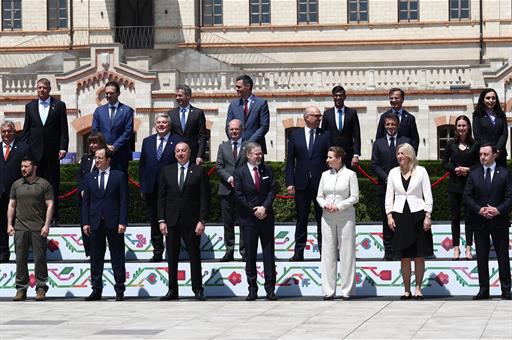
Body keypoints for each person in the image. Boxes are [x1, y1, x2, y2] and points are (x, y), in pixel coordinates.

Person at [158, 142, 210, 301]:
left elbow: (204, 198)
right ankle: (172, 290)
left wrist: (202, 220)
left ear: (189, 152)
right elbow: (161, 198)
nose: (180, 153)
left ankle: (198, 289)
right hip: (171, 220)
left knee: (194, 255)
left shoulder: (199, 171)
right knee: (172, 256)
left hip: (192, 221)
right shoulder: (167, 171)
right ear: (174, 154)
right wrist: (161, 220)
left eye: (183, 150)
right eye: (178, 151)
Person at [464, 143, 512, 300]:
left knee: (503, 257)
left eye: (485, 154)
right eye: (480, 154)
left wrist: (497, 210)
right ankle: (484, 289)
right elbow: (467, 196)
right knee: (482, 257)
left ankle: (506, 289)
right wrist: (480, 209)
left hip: (499, 221)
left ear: (494, 155)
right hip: (480, 221)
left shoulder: (505, 173)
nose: (482, 157)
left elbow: (510, 197)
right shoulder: (474, 173)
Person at [385, 143, 433, 300]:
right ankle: (407, 289)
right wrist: (389, 215)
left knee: (419, 255)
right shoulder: (392, 173)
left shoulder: (421, 172)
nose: (400, 156)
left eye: (403, 153)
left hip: (418, 215)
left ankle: (418, 288)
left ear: (410, 155)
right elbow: (389, 196)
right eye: (398, 153)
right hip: (400, 215)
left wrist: (428, 215)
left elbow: (428, 195)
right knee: (404, 255)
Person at [82, 148, 129, 301]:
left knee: (117, 256)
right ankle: (96, 289)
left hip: (114, 222)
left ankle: (119, 289)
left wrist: (123, 221)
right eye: (96, 158)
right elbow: (86, 202)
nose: (97, 160)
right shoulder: (90, 177)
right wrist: (85, 222)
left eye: (100, 158)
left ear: (108, 159)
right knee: (95, 258)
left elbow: (123, 201)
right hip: (95, 223)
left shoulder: (119, 176)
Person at [285, 106, 330, 261]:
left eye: (320, 116)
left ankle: (325, 253)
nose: (319, 118)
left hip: (321, 186)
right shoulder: (295, 136)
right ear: (306, 117)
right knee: (301, 219)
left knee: (322, 220)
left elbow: (331, 161)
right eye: (316, 116)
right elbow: (290, 162)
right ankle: (299, 252)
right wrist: (290, 183)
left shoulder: (326, 135)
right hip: (301, 184)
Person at [234, 142, 277, 301]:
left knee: (268, 254)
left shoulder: (267, 170)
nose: (259, 156)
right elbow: (239, 195)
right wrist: (254, 210)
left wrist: (264, 208)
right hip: (249, 220)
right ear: (248, 155)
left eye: (261, 153)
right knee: (250, 255)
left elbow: (273, 189)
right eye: (256, 154)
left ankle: (270, 289)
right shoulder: (239, 172)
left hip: (266, 218)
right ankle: (252, 288)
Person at [7, 156, 54, 301]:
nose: (23, 169)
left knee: (40, 259)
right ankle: (21, 289)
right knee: (20, 259)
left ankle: (41, 288)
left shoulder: (43, 184)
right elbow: (11, 205)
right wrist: (9, 224)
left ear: (34, 168)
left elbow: (50, 205)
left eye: (26, 166)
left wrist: (46, 225)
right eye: (22, 166)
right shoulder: (16, 184)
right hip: (20, 228)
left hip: (38, 228)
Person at [22, 78, 68, 222]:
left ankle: (54, 216)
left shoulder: (59, 105)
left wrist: (63, 147)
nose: (41, 90)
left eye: (44, 88)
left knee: (52, 184)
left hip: (53, 151)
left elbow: (63, 129)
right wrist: (24, 150)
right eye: (39, 88)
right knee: (34, 184)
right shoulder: (30, 107)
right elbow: (26, 130)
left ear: (49, 89)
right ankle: (36, 215)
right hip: (34, 153)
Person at [316, 146, 359, 300]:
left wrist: (339, 206)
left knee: (346, 252)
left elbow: (354, 197)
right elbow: (319, 196)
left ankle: (346, 290)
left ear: (339, 158)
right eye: (327, 157)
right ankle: (328, 290)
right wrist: (324, 204)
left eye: (330, 157)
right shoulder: (324, 175)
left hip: (345, 216)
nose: (327, 160)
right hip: (327, 217)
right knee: (328, 253)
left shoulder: (350, 175)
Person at [139, 113, 181, 262]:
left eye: (164, 122)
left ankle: (172, 251)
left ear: (169, 125)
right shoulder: (147, 141)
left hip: (170, 189)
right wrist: (143, 187)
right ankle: (157, 251)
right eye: (159, 123)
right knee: (154, 221)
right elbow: (142, 165)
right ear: (155, 125)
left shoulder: (177, 141)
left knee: (170, 220)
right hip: (151, 188)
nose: (161, 125)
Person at [371, 113, 411, 261]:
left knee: (403, 220)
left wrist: (400, 179)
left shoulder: (405, 142)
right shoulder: (378, 143)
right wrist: (388, 178)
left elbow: (410, 162)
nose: (390, 127)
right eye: (387, 124)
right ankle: (388, 252)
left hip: (403, 190)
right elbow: (374, 164)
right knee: (387, 221)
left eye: (393, 124)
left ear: (398, 125)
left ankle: (402, 251)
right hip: (384, 187)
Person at [441, 115, 479, 260]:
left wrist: (468, 169)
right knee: (455, 218)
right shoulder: (451, 144)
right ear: (456, 128)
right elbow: (444, 163)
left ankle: (468, 248)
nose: (461, 128)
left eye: (464, 125)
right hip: (454, 185)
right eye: (459, 126)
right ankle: (456, 248)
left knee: (470, 218)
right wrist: (455, 169)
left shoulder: (475, 144)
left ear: (468, 127)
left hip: (470, 186)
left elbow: (479, 164)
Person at [216, 119, 247, 262]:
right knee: (227, 223)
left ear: (242, 130)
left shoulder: (249, 146)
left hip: (244, 190)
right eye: (231, 129)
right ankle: (229, 251)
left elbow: (253, 165)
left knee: (244, 222)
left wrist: (240, 180)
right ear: (228, 131)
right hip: (226, 190)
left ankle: (244, 251)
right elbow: (219, 166)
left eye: (236, 129)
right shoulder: (223, 147)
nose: (234, 132)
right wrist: (229, 178)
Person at [0, 121, 27, 263]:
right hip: (1, 194)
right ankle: (3, 253)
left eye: (9, 131)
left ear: (14, 132)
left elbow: (28, 170)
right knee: (1, 224)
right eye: (3, 131)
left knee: (19, 225)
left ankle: (20, 254)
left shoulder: (23, 148)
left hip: (18, 195)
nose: (6, 134)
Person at [92, 80, 134, 173]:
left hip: (120, 154)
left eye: (112, 93)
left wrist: (115, 146)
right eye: (107, 93)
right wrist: (105, 145)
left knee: (120, 182)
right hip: (103, 154)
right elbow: (95, 131)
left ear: (118, 93)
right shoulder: (99, 111)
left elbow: (128, 131)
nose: (108, 95)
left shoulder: (127, 111)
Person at [76, 132, 107, 258]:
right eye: (90, 143)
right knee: (85, 227)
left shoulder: (107, 158)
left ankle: (98, 254)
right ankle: (88, 253)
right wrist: (82, 189)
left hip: (98, 200)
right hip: (85, 200)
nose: (92, 145)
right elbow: (80, 175)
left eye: (95, 142)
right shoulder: (86, 158)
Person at [226, 75, 270, 154]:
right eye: (236, 87)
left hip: (255, 149)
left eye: (239, 87)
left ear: (247, 86)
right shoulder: (233, 105)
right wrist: (237, 142)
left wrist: (249, 143)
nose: (236, 89)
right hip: (237, 149)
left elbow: (264, 126)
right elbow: (228, 126)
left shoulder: (261, 103)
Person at [321, 86, 361, 169]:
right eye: (336, 96)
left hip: (348, 155)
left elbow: (356, 135)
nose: (338, 98)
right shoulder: (327, 114)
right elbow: (323, 135)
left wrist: (356, 155)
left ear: (344, 97)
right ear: (333, 97)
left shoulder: (352, 113)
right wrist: (325, 154)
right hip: (332, 155)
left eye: (340, 95)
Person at [168, 84, 208, 165]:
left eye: (180, 95)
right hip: (175, 155)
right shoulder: (171, 114)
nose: (177, 98)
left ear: (188, 96)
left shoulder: (198, 113)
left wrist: (200, 156)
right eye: (176, 96)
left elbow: (203, 136)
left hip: (193, 155)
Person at [376, 88, 419, 153]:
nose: (393, 100)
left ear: (402, 99)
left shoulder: (410, 118)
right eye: (391, 98)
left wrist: (411, 156)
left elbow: (415, 139)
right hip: (387, 156)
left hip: (404, 156)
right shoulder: (384, 117)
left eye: (396, 98)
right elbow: (379, 138)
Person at [472, 88, 508, 167]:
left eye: (493, 98)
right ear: (483, 99)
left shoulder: (501, 115)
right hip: (485, 155)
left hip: (500, 154)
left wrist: (497, 150)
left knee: (501, 178)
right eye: (488, 98)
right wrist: (489, 151)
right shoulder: (477, 115)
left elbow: (504, 134)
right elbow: (477, 135)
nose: (491, 101)